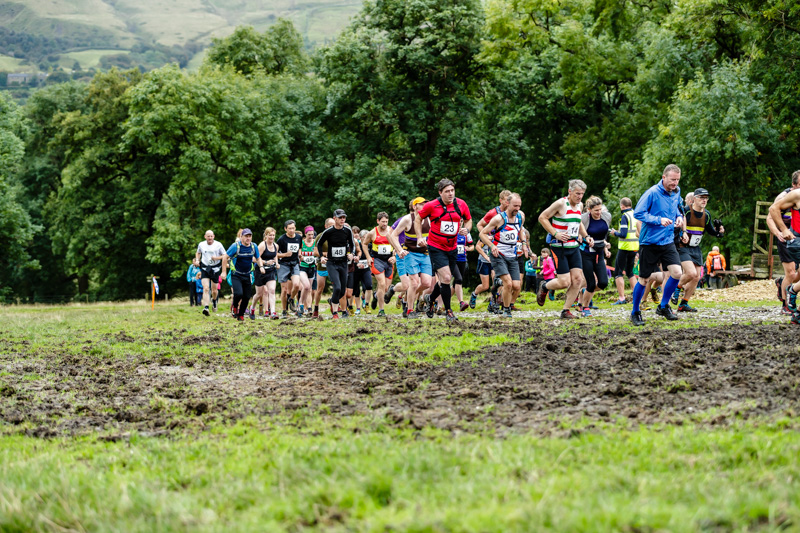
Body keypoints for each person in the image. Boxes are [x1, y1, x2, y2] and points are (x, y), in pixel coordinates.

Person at [628, 164, 685, 326]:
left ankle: (663, 306)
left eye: (677, 180)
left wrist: (679, 217)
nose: (675, 183)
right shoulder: (652, 193)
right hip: (650, 242)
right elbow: (638, 213)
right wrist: (658, 220)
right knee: (644, 279)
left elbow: (677, 208)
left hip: (667, 241)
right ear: (664, 177)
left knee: (676, 272)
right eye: (672, 180)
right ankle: (635, 312)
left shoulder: (676, 191)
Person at [416, 179, 473, 322]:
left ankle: (430, 299)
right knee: (447, 278)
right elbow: (418, 219)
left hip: (452, 247)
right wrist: (419, 237)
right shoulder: (431, 205)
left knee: (444, 281)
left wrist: (467, 229)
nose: (450, 194)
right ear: (440, 192)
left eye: (452, 190)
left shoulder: (461, 204)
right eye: (447, 191)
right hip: (436, 246)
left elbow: (468, 219)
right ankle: (448, 311)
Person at [536, 180, 593, 318]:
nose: (580, 197)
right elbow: (542, 217)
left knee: (578, 280)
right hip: (559, 248)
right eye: (577, 193)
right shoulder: (561, 204)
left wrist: (586, 236)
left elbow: (578, 223)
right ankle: (544, 286)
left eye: (582, 194)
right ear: (570, 191)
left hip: (573, 247)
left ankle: (566, 311)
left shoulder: (579, 205)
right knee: (564, 282)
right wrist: (555, 233)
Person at [673, 188, 725, 311]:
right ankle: (677, 288)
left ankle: (683, 304)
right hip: (683, 247)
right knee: (690, 273)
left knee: (696, 277)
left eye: (706, 198)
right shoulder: (686, 211)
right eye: (701, 197)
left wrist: (720, 232)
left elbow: (711, 231)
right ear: (694, 199)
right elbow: (676, 226)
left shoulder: (706, 215)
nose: (704, 200)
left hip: (695, 248)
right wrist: (682, 234)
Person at [479, 193, 525, 317]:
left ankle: (498, 283)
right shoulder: (498, 218)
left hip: (512, 255)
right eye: (515, 206)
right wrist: (492, 246)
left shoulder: (520, 217)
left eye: (519, 206)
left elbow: (520, 231)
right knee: (508, 284)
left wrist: (524, 243)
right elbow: (482, 234)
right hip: (498, 254)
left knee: (516, 285)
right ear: (507, 204)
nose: (517, 209)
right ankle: (506, 310)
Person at [388, 197, 433, 318]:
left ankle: (407, 297)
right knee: (413, 282)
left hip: (425, 254)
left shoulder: (429, 219)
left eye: (426, 204)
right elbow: (393, 235)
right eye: (422, 204)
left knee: (427, 283)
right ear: (415, 207)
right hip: (410, 253)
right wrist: (399, 249)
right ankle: (410, 310)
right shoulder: (407, 219)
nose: (425, 206)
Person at [767, 171, 800, 314]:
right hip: (786, 237)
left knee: (796, 276)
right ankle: (786, 307)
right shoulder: (784, 197)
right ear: (793, 185)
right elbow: (770, 217)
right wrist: (779, 232)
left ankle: (783, 284)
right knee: (792, 274)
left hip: (795, 235)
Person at [314, 209, 355, 319]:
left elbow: (353, 244)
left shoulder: (347, 231)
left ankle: (332, 300)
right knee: (337, 288)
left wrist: (351, 254)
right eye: (340, 217)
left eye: (344, 217)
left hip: (343, 263)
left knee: (342, 290)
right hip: (331, 263)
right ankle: (335, 313)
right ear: (335, 218)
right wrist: (322, 256)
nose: (342, 219)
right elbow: (319, 244)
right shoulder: (328, 232)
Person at [578, 196, 612, 317]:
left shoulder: (606, 216)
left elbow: (604, 234)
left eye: (600, 209)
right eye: (596, 210)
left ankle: (585, 292)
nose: (599, 213)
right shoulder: (583, 219)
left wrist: (605, 246)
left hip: (599, 253)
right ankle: (585, 308)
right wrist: (580, 237)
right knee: (591, 283)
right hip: (585, 253)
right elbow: (578, 233)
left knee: (603, 282)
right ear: (589, 209)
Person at [223, 228, 266, 321]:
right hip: (236, 274)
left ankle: (241, 314)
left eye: (250, 236)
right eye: (246, 236)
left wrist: (261, 266)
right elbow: (225, 257)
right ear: (241, 237)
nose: (248, 238)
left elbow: (258, 258)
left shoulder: (254, 246)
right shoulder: (235, 246)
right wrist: (223, 272)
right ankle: (235, 307)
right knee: (238, 293)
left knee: (246, 296)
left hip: (247, 274)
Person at [362, 212, 396, 318]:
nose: (385, 224)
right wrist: (368, 257)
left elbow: (398, 243)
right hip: (377, 260)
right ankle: (381, 310)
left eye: (386, 222)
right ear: (378, 221)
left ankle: (376, 295)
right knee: (381, 284)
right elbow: (364, 243)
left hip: (389, 261)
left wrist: (394, 256)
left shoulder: (392, 231)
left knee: (386, 288)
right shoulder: (373, 232)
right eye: (382, 222)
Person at [612, 197, 639, 305]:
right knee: (630, 272)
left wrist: (614, 233)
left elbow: (623, 234)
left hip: (624, 247)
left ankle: (622, 298)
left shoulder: (625, 216)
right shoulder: (636, 214)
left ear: (622, 206)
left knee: (618, 272)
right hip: (634, 246)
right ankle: (637, 296)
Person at [196, 230, 227, 316]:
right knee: (206, 288)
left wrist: (216, 258)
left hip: (215, 269)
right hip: (205, 268)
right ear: (205, 236)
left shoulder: (218, 244)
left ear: (214, 236)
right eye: (208, 236)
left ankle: (214, 301)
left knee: (214, 290)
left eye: (211, 236)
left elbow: (225, 256)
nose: (210, 238)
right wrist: (198, 260)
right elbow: (198, 252)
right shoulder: (201, 244)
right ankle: (206, 307)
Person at [277, 220, 303, 317]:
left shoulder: (298, 237)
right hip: (283, 264)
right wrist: (285, 255)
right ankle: (284, 310)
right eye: (289, 229)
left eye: (293, 228)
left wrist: (300, 254)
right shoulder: (281, 239)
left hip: (294, 264)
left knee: (296, 285)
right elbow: (275, 254)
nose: (292, 230)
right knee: (284, 290)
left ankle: (291, 299)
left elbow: (299, 248)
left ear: (295, 228)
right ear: (285, 229)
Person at [312, 218, 335, 318]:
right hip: (322, 265)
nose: (332, 228)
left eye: (333, 226)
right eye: (330, 226)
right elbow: (315, 252)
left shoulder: (337, 235)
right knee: (320, 288)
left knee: (336, 287)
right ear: (326, 226)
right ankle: (316, 308)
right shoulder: (320, 236)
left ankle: (334, 307)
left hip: (334, 265)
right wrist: (326, 254)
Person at [256, 227, 280, 319]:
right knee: (261, 293)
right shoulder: (262, 245)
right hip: (260, 271)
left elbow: (275, 255)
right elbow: (255, 258)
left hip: (270, 271)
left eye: (273, 235)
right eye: (270, 235)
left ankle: (272, 312)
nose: (272, 237)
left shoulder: (276, 246)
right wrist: (265, 263)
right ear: (266, 235)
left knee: (271, 290)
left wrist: (276, 263)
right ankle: (255, 307)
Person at [297, 225, 317, 317]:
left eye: (312, 234)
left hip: (312, 267)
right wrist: (300, 256)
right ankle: (301, 303)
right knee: (306, 286)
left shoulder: (315, 242)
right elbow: (299, 253)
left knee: (309, 289)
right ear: (305, 234)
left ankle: (309, 308)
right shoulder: (302, 243)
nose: (311, 236)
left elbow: (318, 253)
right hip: (303, 267)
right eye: (309, 235)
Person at [454, 230, 475, 311]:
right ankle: (461, 302)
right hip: (452, 260)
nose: (460, 222)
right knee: (457, 280)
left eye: (462, 221)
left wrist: (468, 249)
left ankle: (442, 303)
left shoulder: (466, 233)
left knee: (456, 283)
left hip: (462, 260)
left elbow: (472, 246)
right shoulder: (451, 231)